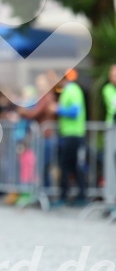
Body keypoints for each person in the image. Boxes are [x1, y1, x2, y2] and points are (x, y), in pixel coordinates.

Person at [51, 69, 87, 205]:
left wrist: (57, 109)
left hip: (73, 134)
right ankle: (80, 196)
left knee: (66, 165)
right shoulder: (69, 90)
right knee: (72, 165)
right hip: (70, 133)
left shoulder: (72, 90)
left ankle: (66, 196)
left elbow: (75, 111)